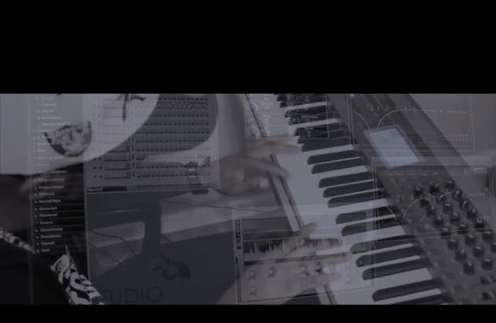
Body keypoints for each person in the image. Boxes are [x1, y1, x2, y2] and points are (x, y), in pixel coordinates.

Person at [0, 93, 344, 304]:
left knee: (266, 247)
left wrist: (204, 175)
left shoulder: (24, 188)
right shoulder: (14, 285)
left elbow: (81, 188)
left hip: (83, 276)